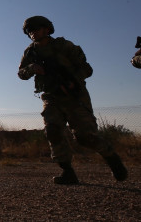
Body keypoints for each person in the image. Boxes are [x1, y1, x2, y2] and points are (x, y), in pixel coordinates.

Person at [17, 15, 128, 185]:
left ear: (47, 29)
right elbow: (21, 74)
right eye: (30, 31)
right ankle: (67, 172)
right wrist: (32, 68)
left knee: (85, 137)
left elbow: (86, 69)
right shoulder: (30, 52)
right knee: (52, 130)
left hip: (74, 95)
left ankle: (112, 158)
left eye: (36, 29)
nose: (33, 33)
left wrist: (72, 81)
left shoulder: (64, 46)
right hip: (51, 95)